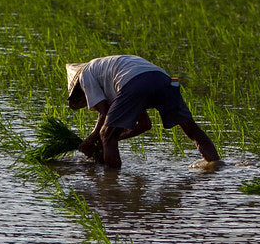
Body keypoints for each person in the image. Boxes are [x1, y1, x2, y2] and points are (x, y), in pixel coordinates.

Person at [66, 54, 221, 170]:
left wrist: (90, 141)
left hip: (136, 83)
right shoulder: (112, 75)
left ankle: (111, 185)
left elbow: (104, 113)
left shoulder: (85, 75)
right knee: (191, 129)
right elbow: (144, 124)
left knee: (106, 135)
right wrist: (112, 139)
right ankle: (216, 165)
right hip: (166, 80)